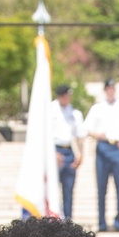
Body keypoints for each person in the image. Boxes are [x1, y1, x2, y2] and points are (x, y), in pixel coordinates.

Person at [85, 79, 119, 232]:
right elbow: (87, 128)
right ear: (105, 90)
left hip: (118, 147)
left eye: (112, 88)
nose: (110, 91)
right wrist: (97, 135)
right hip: (103, 146)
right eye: (108, 88)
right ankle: (101, 221)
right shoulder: (97, 108)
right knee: (101, 187)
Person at [49, 82, 84, 220]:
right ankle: (53, 219)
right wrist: (52, 153)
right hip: (54, 150)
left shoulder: (74, 113)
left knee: (68, 190)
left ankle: (68, 221)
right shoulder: (50, 110)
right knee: (52, 190)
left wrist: (81, 154)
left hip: (69, 151)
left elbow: (79, 136)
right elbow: (45, 134)